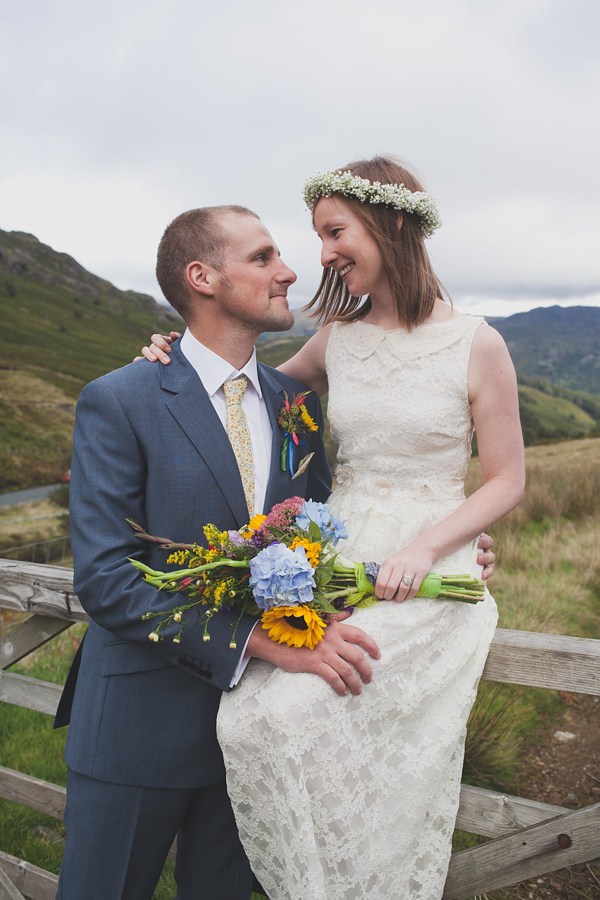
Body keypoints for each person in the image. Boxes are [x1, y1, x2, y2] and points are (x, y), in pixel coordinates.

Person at [140, 157, 522, 900]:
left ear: (395, 223)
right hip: (337, 561)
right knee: (249, 721)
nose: (321, 255)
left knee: (297, 714)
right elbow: (243, 385)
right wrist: (169, 357)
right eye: (317, 236)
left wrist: (430, 544)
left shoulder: (479, 343)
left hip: (424, 571)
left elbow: (508, 477)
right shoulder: (338, 339)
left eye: (334, 231)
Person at [54, 204, 384, 900]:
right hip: (137, 728)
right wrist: (261, 642)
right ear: (202, 277)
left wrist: (449, 553)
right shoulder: (120, 399)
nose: (289, 270)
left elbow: (331, 525)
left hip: (260, 738)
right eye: (263, 258)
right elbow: (108, 581)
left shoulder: (295, 401)